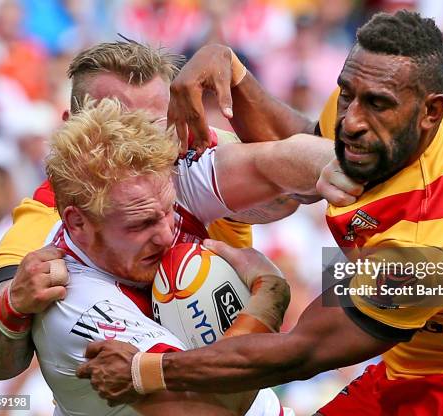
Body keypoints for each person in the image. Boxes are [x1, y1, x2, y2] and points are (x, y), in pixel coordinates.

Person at [79, 11, 443, 414]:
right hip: (413, 357)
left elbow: (301, 352)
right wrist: (231, 70)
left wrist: (146, 370)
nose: (351, 119)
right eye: (347, 92)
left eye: (375, 103)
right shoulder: (385, 110)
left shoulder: (432, 242)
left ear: (432, 112)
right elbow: (307, 150)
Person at [0, 40, 353, 382]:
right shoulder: (45, 220)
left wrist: (234, 72)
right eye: (120, 126)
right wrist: (12, 304)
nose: (141, 144)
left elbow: (304, 182)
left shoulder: (188, 154)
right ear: (75, 130)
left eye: (156, 126)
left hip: (231, 372)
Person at [34, 96, 284, 415]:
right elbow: (215, 407)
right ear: (77, 223)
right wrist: (271, 296)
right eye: (142, 223)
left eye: (168, 211)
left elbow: (300, 171)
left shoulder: (146, 194)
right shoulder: (78, 307)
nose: (167, 234)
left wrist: (237, 73)